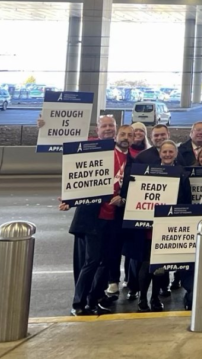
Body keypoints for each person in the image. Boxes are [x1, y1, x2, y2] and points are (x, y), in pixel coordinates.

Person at [59, 122, 131, 315]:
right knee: (92, 261)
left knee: (106, 261)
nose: (125, 137)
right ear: (116, 136)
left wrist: (123, 200)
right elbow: (81, 175)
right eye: (122, 134)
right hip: (93, 217)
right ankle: (78, 304)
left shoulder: (132, 160)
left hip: (114, 219)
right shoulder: (101, 152)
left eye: (129, 135)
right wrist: (70, 200)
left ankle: (95, 299)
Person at [120, 139, 193, 312]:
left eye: (171, 152)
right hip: (147, 225)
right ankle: (142, 298)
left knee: (162, 265)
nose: (167, 155)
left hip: (168, 225)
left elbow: (186, 201)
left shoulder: (182, 173)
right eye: (164, 152)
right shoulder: (146, 171)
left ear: (175, 154)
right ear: (159, 153)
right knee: (146, 262)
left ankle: (155, 298)